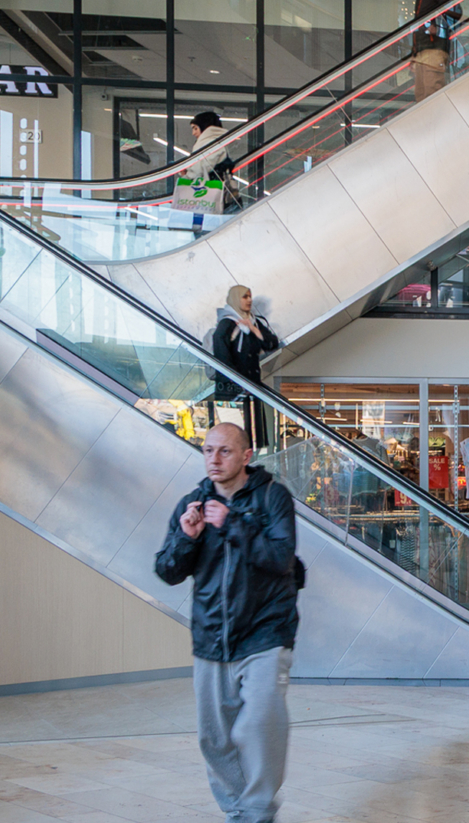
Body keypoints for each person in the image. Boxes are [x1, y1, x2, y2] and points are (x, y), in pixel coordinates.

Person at [155, 423, 300, 823]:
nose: (214, 460)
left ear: (246, 456)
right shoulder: (193, 502)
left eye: (224, 452)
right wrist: (187, 536)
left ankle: (256, 811)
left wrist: (232, 524)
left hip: (266, 631)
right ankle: (240, 812)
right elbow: (167, 570)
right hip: (211, 636)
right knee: (215, 738)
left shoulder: (272, 497)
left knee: (258, 725)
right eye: (208, 451)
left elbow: (281, 558)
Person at [210, 286, 280, 449]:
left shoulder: (253, 322)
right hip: (233, 393)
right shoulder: (226, 324)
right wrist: (239, 384)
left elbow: (272, 343)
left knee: (251, 440)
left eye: (250, 296)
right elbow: (222, 360)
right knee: (233, 439)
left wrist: (253, 329)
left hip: (251, 390)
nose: (249, 300)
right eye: (244, 297)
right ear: (235, 299)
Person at [411, 0, 458, 102]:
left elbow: (455, 12)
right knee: (421, 95)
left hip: (435, 50)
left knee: (431, 95)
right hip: (422, 52)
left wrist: (436, 26)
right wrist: (414, 53)